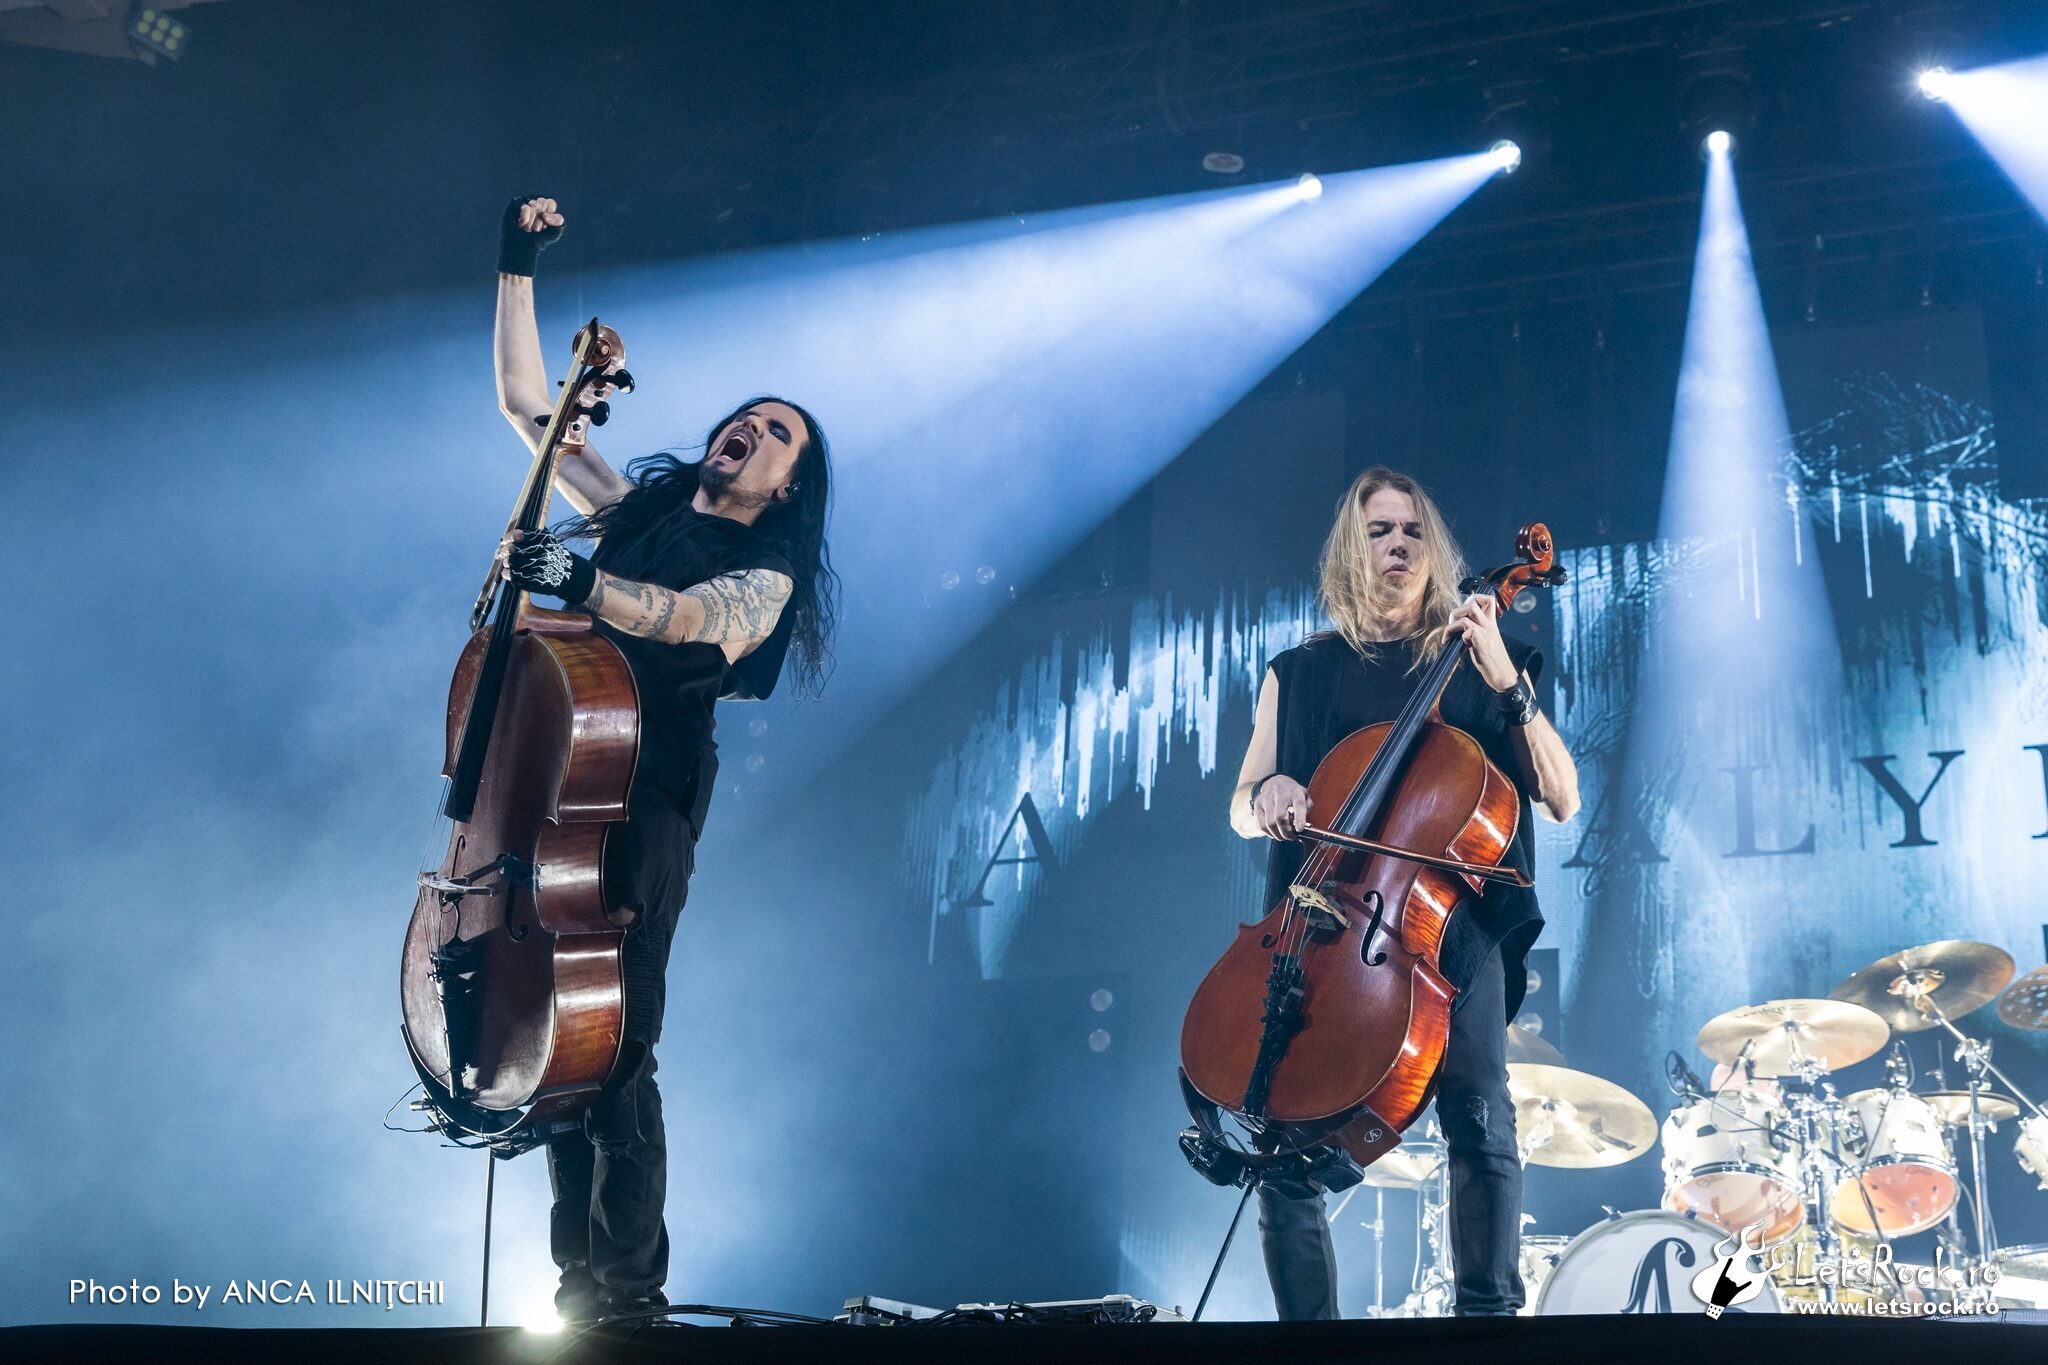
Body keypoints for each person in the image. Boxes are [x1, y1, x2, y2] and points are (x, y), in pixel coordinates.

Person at [490, 195, 838, 1324]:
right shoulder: (639, 502)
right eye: (750, 416)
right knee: (559, 1037)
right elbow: (528, 408)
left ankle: (629, 1296)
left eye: (780, 434)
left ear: (786, 486)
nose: (754, 429)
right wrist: (516, 264)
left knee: (620, 1040)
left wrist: (581, 582)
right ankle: (574, 1287)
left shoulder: (764, 571)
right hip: (556, 789)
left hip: (644, 802)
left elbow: (686, 621)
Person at [1229, 466, 1579, 1318]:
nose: (1398, 544)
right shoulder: (1301, 672)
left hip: (1455, 931)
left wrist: (1506, 679)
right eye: (1380, 530)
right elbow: (1242, 808)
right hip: (1330, 925)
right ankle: (1310, 1339)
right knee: (1282, 1132)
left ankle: (1487, 1320)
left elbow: (1564, 797)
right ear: (1355, 548)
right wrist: (1270, 793)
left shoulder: (1487, 663)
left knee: (1479, 1111)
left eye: (1413, 530)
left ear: (1435, 548)